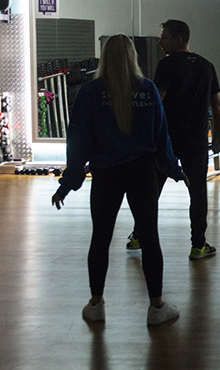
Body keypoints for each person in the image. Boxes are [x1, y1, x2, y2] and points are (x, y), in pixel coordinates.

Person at [51, 34, 185, 325]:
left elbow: (78, 140)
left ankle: (96, 303)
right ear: (132, 57)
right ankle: (156, 307)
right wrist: (174, 170)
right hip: (142, 172)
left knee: (100, 237)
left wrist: (70, 181)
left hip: (105, 175)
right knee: (149, 238)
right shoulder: (147, 90)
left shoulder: (89, 92)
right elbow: (161, 138)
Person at [126, 19, 220, 261]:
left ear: (179, 39)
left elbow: (157, 101)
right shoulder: (206, 65)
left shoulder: (166, 65)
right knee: (197, 192)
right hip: (197, 140)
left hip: (166, 139)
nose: (160, 41)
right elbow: (217, 105)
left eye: (165, 37)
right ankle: (198, 245)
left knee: (152, 189)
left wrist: (145, 133)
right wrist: (218, 136)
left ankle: (139, 235)